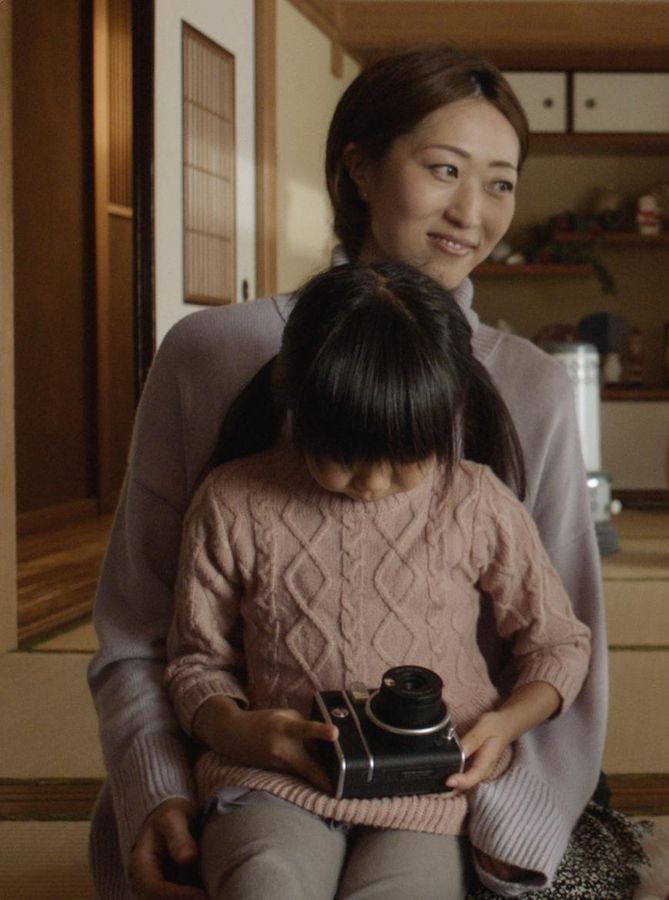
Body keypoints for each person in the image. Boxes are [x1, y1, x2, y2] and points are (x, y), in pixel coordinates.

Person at [88, 48, 609, 900]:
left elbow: (562, 639)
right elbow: (145, 634)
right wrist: (158, 796)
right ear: (359, 168)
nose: (470, 212)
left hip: (450, 799)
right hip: (242, 783)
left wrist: (506, 825)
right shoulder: (210, 354)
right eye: (443, 169)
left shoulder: (530, 385)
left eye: (501, 183)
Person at [167, 261, 591, 899]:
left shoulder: (475, 500)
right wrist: (243, 731)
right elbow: (196, 663)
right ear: (298, 407)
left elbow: (558, 644)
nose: (373, 485)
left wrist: (503, 725)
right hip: (275, 781)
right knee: (264, 884)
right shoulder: (234, 501)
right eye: (343, 458)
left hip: (427, 791)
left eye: (406, 460)